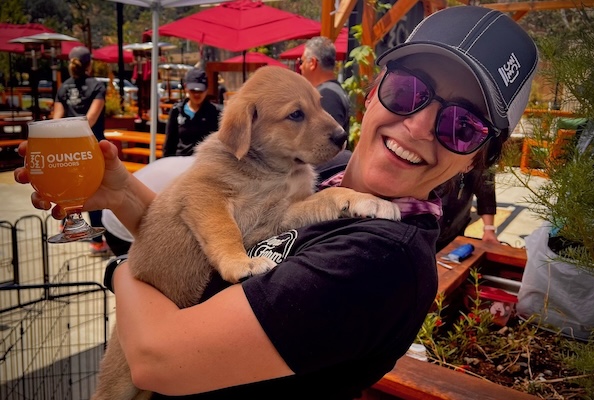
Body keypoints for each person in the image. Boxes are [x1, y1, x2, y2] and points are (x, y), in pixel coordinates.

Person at [15, 6, 538, 398]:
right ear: (376, 88)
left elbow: (156, 358)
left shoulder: (381, 261)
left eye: (462, 125)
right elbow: (211, 230)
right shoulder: (328, 176)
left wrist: (121, 268)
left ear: (477, 158)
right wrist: (122, 194)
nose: (419, 126)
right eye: (409, 89)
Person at [53, 45, 109, 256]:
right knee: (95, 191)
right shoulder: (97, 86)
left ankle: (69, 225)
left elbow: (56, 120)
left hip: (67, 148)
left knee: (71, 189)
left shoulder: (63, 88)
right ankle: (96, 242)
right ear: (90, 64)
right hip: (92, 148)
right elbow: (91, 119)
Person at [435, 167, 501, 252]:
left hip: (454, 228)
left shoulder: (479, 158)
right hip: (421, 228)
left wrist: (489, 229)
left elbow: (486, 193)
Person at [162, 68, 221, 157]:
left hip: (204, 163)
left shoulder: (215, 112)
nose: (197, 94)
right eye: (193, 90)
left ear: (207, 89)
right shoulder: (177, 111)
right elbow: (169, 143)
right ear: (186, 87)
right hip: (180, 161)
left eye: (200, 90)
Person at [300, 36, 350, 133]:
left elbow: (327, 139)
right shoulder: (333, 91)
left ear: (312, 63)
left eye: (302, 61)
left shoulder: (326, 95)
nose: (301, 67)